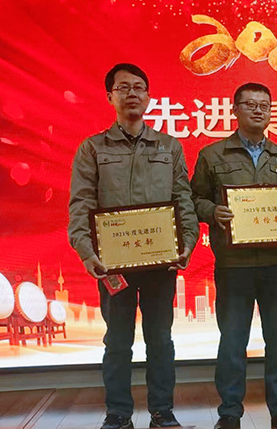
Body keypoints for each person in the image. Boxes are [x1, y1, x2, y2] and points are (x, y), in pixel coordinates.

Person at [68, 63, 199, 429]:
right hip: (114, 265)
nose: (132, 94)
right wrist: (86, 251)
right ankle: (118, 414)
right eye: (123, 88)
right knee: (117, 342)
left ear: (149, 97)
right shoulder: (93, 148)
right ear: (110, 96)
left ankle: (162, 412)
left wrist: (187, 243)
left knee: (161, 341)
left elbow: (183, 200)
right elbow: (81, 204)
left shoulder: (169, 147)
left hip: (160, 263)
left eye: (139, 87)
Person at [190, 83, 277, 429]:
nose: (258, 110)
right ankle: (229, 412)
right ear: (235, 109)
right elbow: (194, 199)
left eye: (264, 105)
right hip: (234, 265)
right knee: (233, 341)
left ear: (271, 112)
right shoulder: (213, 155)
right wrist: (212, 211)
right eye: (250, 104)